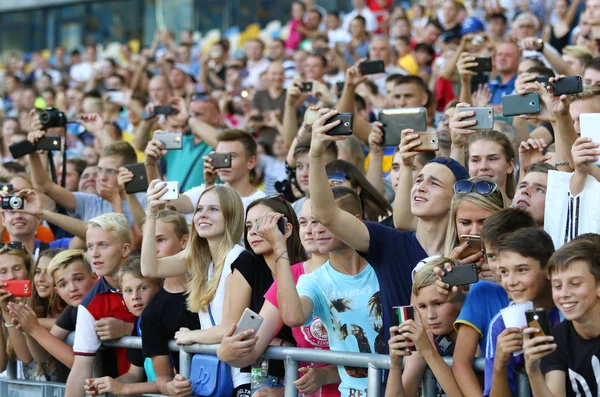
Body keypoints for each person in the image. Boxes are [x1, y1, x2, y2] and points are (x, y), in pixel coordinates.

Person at [308, 108, 470, 350]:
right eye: (418, 180)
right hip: (398, 380)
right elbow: (326, 214)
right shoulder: (388, 243)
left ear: (456, 199)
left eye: (433, 183)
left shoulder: (469, 252)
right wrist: (316, 154)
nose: (420, 187)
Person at [217, 197, 341, 397]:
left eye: (317, 221)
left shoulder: (364, 274)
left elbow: (375, 355)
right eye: (304, 222)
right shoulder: (292, 275)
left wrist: (327, 374)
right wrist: (227, 352)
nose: (310, 229)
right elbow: (251, 349)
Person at [142, 183, 250, 395]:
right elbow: (149, 268)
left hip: (242, 377)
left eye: (213, 209)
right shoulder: (201, 260)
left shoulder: (240, 258)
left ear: (231, 215)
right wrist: (151, 214)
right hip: (213, 376)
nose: (202, 215)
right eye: (199, 209)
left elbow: (230, 327)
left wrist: (192, 335)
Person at [450, 208, 535, 397]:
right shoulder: (483, 293)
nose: (498, 265)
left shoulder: (548, 298)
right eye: (492, 256)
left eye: (504, 254)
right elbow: (461, 363)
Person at [65, 213, 136, 397]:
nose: (94, 254)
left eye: (103, 245)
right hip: (128, 389)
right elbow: (81, 367)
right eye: (89, 246)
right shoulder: (90, 303)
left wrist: (129, 329)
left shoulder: (155, 280)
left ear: (125, 249)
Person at [485, 228, 561, 397]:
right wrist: (499, 364)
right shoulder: (501, 324)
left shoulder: (568, 314)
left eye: (521, 270)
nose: (510, 282)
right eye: (504, 272)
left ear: (548, 269)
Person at [523, 238, 600, 397]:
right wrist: (533, 370)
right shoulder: (556, 339)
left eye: (575, 283)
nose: (564, 293)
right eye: (557, 286)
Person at [7, 250, 97, 372]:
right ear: (58, 290)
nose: (72, 288)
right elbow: (42, 356)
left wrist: (35, 328)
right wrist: (29, 330)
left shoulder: (100, 304)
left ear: (94, 278)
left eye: (78, 279)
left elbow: (80, 364)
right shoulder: (72, 311)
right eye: (63, 284)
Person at [84, 258, 162, 396]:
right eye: (128, 291)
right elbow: (134, 374)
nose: (135, 297)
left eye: (143, 288)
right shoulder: (140, 324)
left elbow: (171, 382)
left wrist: (124, 389)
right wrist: (107, 385)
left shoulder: (168, 323)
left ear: (159, 287)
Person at [139, 209, 196, 396]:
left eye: (161, 240)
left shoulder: (214, 283)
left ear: (184, 241)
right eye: (149, 241)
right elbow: (162, 378)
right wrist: (171, 387)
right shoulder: (152, 313)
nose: (153, 249)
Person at [393, 257, 463, 397]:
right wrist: (394, 365)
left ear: (457, 296)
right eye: (422, 306)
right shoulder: (426, 338)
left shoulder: (475, 335)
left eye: (438, 303)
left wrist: (428, 351)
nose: (430, 315)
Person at [0, 243, 36, 376]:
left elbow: (26, 357)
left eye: (17, 268)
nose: (10, 276)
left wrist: (7, 312)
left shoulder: (42, 301)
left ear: (28, 271)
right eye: (2, 272)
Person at [326, 159, 392, 222]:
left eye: (338, 181)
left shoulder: (376, 218)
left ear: (357, 190)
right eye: (327, 183)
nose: (333, 188)